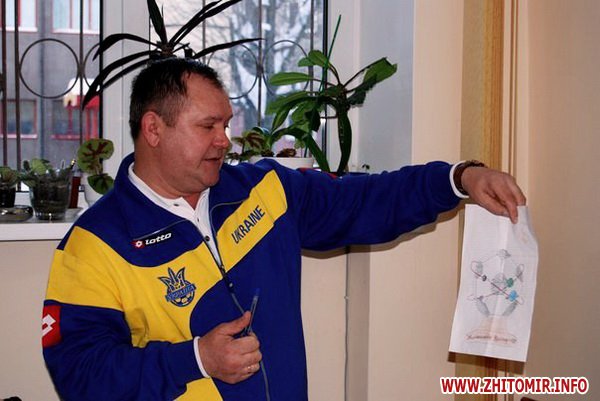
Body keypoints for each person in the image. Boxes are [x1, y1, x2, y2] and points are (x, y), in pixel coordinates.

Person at [42, 57, 525, 401]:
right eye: (208, 126)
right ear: (153, 130)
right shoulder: (94, 246)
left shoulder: (263, 191)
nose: (224, 141)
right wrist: (197, 359)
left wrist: (458, 179)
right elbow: (81, 375)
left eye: (226, 125)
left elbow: (364, 200)